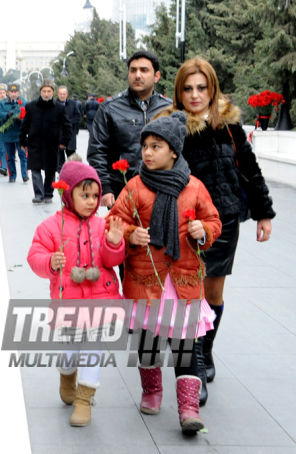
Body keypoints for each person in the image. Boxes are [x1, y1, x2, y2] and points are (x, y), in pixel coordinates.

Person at [154, 57, 275, 393]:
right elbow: (153, 171)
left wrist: (263, 212)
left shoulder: (229, 125)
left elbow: (250, 169)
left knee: (213, 292)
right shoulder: (171, 125)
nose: (195, 95)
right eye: (188, 88)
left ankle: (205, 350)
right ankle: (192, 365)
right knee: (188, 292)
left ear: (212, 90)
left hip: (224, 222)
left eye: (202, 88)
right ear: (179, 92)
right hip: (184, 225)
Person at [109, 112, 222, 434]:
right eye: (144, 145)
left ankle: (188, 408)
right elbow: (114, 221)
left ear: (174, 150)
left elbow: (213, 221)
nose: (147, 152)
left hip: (183, 281)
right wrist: (130, 234)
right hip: (146, 281)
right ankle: (152, 391)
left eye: (155, 146)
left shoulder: (195, 187)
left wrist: (203, 230)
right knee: (147, 343)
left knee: (185, 347)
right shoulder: (135, 187)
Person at [27, 161, 125, 427]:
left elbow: (110, 259)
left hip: (99, 300)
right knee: (69, 349)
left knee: (93, 347)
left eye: (95, 196)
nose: (92, 202)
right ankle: (67, 376)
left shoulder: (101, 225)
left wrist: (114, 243)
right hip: (68, 302)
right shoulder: (50, 227)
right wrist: (50, 261)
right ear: (67, 195)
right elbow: (34, 255)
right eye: (85, 195)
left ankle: (84, 399)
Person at [87, 50, 172, 208]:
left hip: (162, 189)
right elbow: (96, 151)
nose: (137, 75)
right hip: (122, 190)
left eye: (144, 70)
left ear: (157, 76)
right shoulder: (109, 108)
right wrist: (105, 187)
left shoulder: (169, 108)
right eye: (133, 70)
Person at [19, 79, 72, 204]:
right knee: (35, 169)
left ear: (53, 92)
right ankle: (38, 194)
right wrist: (22, 141)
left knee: (50, 171)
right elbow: (24, 126)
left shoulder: (58, 108)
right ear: (40, 92)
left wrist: (64, 141)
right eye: (44, 91)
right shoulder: (31, 107)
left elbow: (67, 126)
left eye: (49, 91)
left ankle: (48, 194)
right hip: (34, 144)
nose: (46, 94)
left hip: (51, 145)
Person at [0, 83, 27, 182]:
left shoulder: (23, 102)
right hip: (8, 134)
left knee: (22, 155)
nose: (13, 94)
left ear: (18, 92)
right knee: (10, 157)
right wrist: (7, 115)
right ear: (8, 92)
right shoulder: (3, 103)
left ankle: (24, 175)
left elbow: (29, 115)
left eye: (15, 92)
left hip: (20, 134)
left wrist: (21, 119)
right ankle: (12, 176)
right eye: (11, 92)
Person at [56, 86, 81, 172]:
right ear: (57, 94)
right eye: (60, 94)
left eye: (64, 94)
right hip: (58, 135)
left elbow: (78, 116)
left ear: (67, 94)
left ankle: (72, 172)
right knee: (59, 157)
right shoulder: (54, 104)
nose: (62, 95)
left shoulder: (73, 104)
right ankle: (61, 174)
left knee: (71, 157)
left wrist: (69, 123)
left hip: (70, 135)